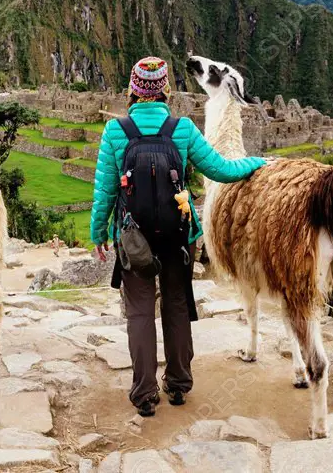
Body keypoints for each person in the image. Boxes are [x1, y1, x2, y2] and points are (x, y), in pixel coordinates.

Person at [90, 56, 266, 417]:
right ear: (165, 90)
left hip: (132, 238)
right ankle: (179, 384)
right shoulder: (182, 128)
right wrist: (258, 163)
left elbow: (105, 191)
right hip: (177, 236)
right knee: (176, 306)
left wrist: (97, 232)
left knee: (139, 313)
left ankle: (143, 394)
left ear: (133, 89)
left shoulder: (115, 132)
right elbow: (222, 169)